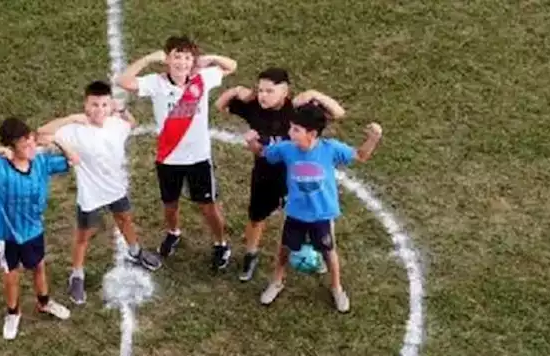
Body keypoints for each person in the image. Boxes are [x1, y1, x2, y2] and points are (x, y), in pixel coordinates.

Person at [244, 105, 383, 313]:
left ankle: (337, 288)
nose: (290, 133)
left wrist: (373, 138)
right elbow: (264, 153)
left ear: (312, 133)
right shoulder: (287, 148)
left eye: (296, 130)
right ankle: (277, 282)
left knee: (328, 251)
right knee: (284, 249)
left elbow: (360, 156)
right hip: (296, 213)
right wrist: (251, 142)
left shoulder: (330, 149)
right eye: (291, 128)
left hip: (322, 214)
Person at [116, 35, 238, 270]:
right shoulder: (156, 83)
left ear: (193, 60)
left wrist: (209, 58)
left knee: (208, 206)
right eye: (176, 57)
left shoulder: (203, 78)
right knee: (170, 204)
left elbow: (231, 66)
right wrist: (149, 58)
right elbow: (124, 81)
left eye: (186, 57)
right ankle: (173, 232)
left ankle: (221, 243)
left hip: (199, 158)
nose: (181, 62)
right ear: (167, 59)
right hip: (168, 158)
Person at [37, 81, 163, 305]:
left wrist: (122, 110)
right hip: (91, 194)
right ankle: (77, 274)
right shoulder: (74, 130)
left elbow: (131, 124)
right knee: (84, 235)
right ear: (85, 105)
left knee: (125, 219)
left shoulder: (116, 124)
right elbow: (41, 133)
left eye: (104, 104)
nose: (99, 109)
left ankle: (135, 251)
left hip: (115, 187)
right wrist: (69, 119)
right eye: (94, 104)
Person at [215, 68, 346, 281]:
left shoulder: (298, 111)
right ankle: (251, 254)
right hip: (265, 173)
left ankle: (317, 251)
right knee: (256, 217)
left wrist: (315, 94)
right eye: (260, 90)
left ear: (285, 91)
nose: (263, 95)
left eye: (269, 91)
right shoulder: (254, 107)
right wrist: (236, 90)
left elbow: (338, 113)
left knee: (310, 216)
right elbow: (219, 106)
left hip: (298, 176)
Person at [0, 117, 76, 340]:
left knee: (38, 267)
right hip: (7, 234)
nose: (30, 145)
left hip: (34, 229)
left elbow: (74, 160)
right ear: (11, 147)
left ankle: (44, 303)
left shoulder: (41, 162)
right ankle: (13, 312)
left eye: (30, 139)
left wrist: (56, 141)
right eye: (24, 143)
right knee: (11, 275)